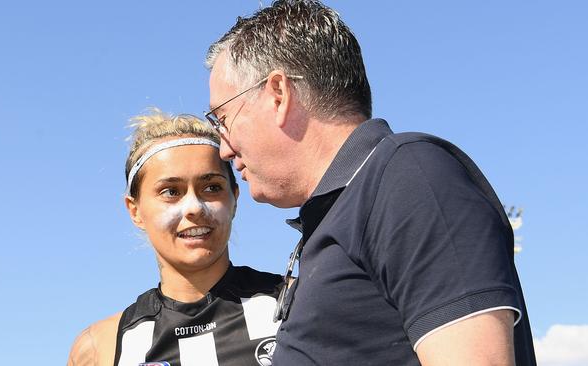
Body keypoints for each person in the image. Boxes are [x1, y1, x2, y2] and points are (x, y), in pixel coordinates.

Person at [205, 1, 536, 365]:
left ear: (278, 95)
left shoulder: (408, 177)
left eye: (222, 118)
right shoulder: (355, 204)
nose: (223, 147)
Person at [67, 111, 283, 366]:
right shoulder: (101, 347)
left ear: (234, 198)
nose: (194, 207)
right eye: (171, 191)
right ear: (135, 210)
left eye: (212, 187)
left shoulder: (296, 302)